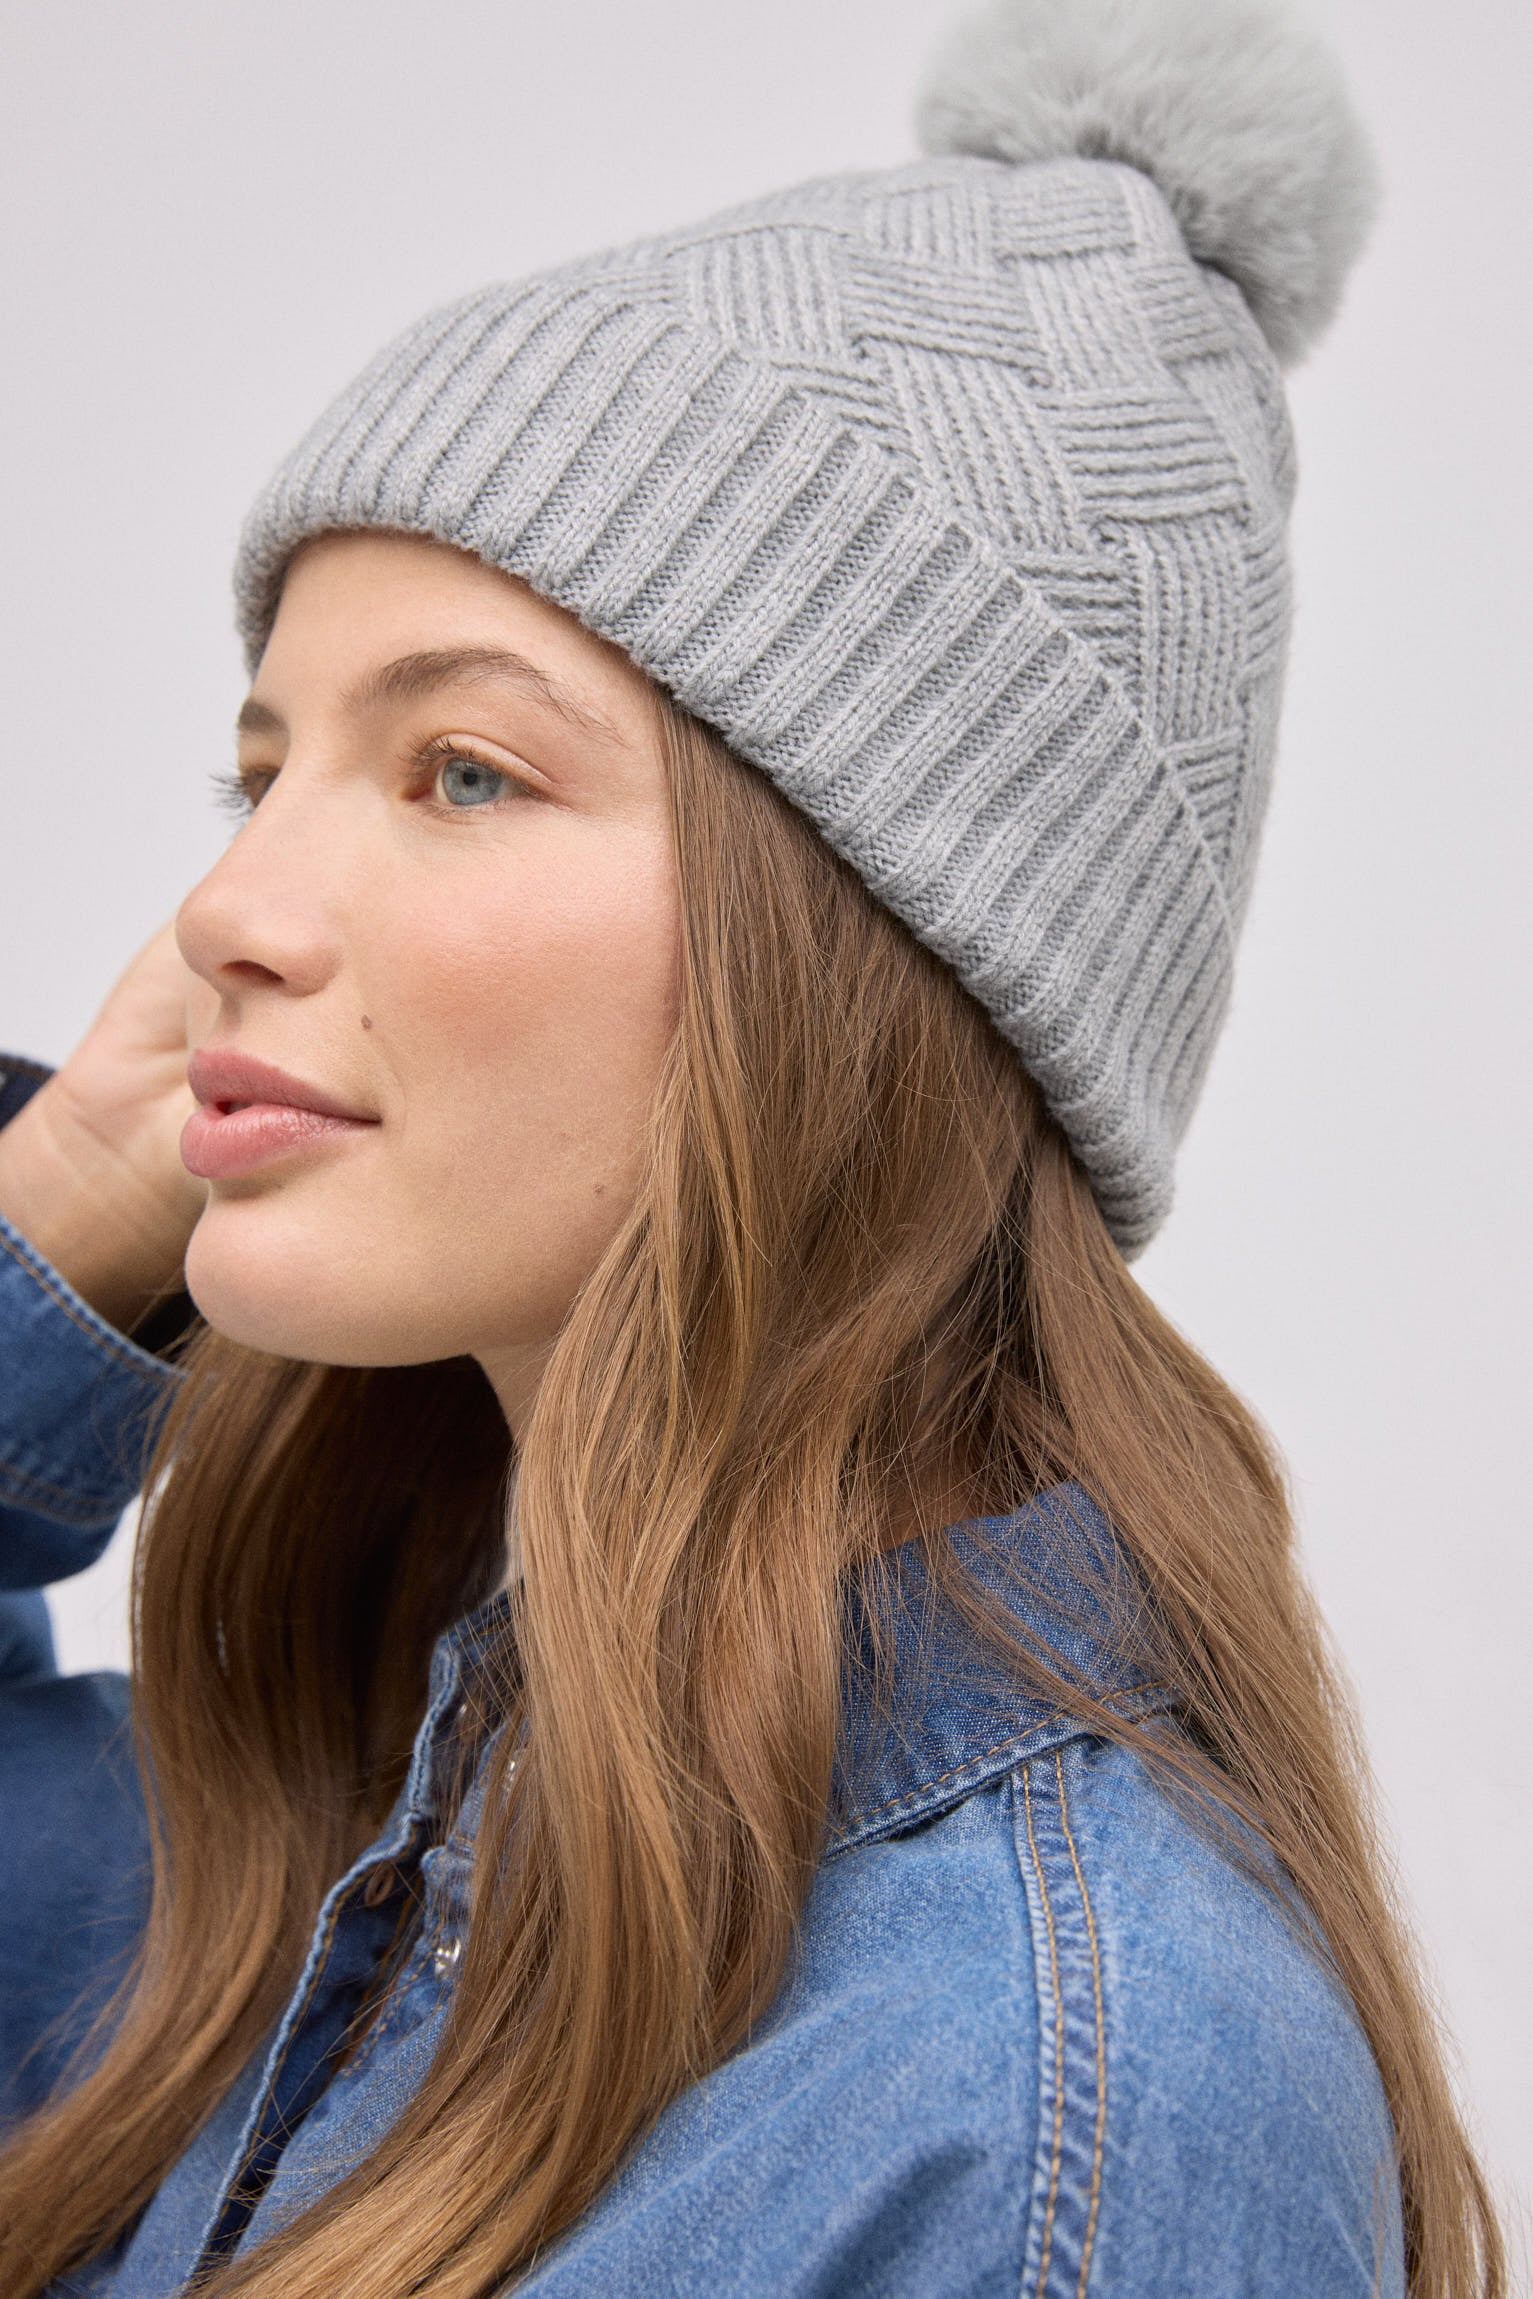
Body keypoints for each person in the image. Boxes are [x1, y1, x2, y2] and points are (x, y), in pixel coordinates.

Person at [0, 0, 1506, 2291]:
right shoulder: (287, 1856)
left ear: (869, 954)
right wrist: (60, 1230)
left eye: (461, 775)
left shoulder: (1042, 2112)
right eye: (263, 767)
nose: (226, 910)